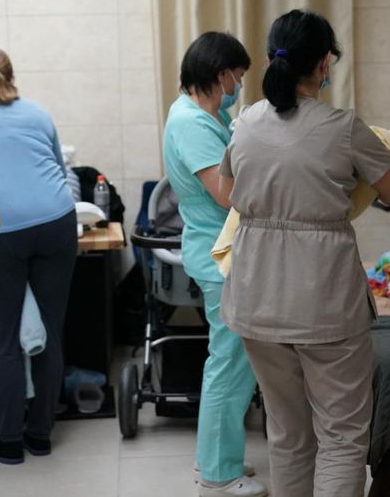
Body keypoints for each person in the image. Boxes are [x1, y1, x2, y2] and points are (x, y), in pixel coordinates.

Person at [218, 10, 390, 497]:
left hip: (255, 297)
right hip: (323, 299)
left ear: (270, 59)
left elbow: (227, 193)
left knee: (286, 432)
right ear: (326, 62)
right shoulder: (344, 128)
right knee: (343, 436)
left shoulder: (244, 124)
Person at [0, 47, 78, 464]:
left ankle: (8, 441)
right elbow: (59, 169)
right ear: (11, 76)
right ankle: (40, 435)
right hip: (56, 221)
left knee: (3, 340)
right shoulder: (38, 113)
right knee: (52, 332)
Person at [162, 32, 268, 497]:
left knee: (233, 361)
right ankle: (219, 474)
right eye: (238, 77)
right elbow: (225, 194)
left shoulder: (207, 114)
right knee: (229, 363)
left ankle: (216, 456)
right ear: (219, 73)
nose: (239, 86)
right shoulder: (192, 123)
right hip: (218, 257)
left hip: (221, 253)